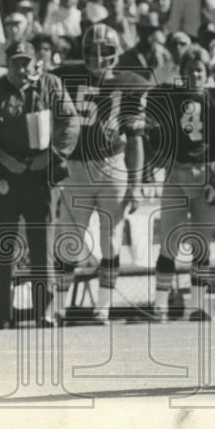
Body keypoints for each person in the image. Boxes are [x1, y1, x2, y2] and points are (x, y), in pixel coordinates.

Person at [0, 40, 79, 329]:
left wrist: (51, 156)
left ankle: (43, 311)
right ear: (7, 63)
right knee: (2, 244)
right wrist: (0, 159)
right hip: (5, 176)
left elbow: (69, 123)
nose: (21, 68)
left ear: (36, 62)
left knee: (41, 245)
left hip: (40, 176)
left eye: (26, 62)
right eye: (16, 62)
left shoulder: (51, 85)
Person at [53, 24, 150, 324]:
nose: (98, 56)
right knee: (68, 241)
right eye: (92, 51)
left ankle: (103, 308)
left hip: (112, 165)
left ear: (116, 52)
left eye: (105, 50)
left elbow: (135, 139)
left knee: (111, 242)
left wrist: (135, 184)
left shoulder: (131, 82)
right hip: (76, 167)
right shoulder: (64, 77)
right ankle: (56, 307)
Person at [148, 46, 215, 321]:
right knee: (169, 241)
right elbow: (147, 126)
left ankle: (197, 306)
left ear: (208, 72)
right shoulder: (169, 95)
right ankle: (160, 305)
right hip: (176, 174)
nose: (195, 73)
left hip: (207, 176)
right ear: (182, 72)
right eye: (191, 69)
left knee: (201, 243)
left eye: (200, 69)